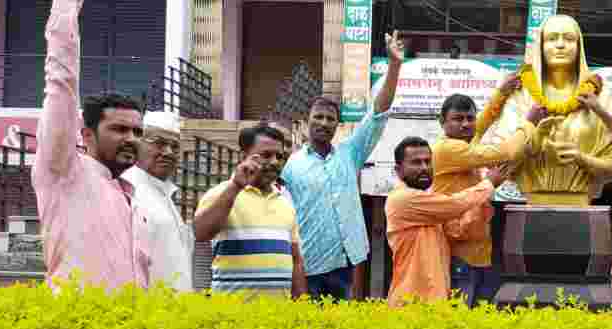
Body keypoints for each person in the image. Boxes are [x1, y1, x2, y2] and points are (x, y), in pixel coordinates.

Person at [33, 0, 151, 290]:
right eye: (119, 129)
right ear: (86, 135)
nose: (131, 139)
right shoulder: (64, 171)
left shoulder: (130, 195)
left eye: (137, 131)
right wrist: (65, 7)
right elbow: (61, 83)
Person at [281, 30, 405, 300]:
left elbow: (377, 113)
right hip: (309, 266)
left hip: (347, 265)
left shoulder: (350, 154)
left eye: (330, 119)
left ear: (337, 125)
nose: (324, 123)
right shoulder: (290, 166)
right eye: (319, 117)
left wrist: (394, 66)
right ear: (307, 122)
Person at [473, 14, 612, 205]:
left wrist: (584, 160)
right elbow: (499, 159)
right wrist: (533, 137)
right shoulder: (521, 95)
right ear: (540, 46)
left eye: (569, 39)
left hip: (582, 200)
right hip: (532, 198)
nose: (560, 45)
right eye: (552, 38)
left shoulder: (600, 97)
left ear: (579, 46)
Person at [431, 91, 543, 306]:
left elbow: (482, 124)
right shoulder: (449, 149)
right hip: (459, 253)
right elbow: (506, 152)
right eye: (457, 119)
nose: (465, 124)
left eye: (469, 118)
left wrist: (503, 92)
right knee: (460, 321)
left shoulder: (464, 144)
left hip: (477, 251)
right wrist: (528, 123)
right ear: (442, 122)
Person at [385, 137, 513, 307]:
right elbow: (454, 205)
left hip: (435, 300)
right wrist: (487, 184)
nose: (424, 168)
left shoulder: (430, 203)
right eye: (416, 163)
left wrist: (482, 201)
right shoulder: (402, 199)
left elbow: (456, 230)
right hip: (410, 302)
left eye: (428, 162)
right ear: (398, 170)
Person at [194, 124, 308, 298]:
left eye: (279, 156)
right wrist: (236, 187)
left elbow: (295, 260)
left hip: (279, 319)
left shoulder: (285, 202)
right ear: (244, 156)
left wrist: (302, 306)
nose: (275, 162)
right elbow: (200, 232)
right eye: (266, 155)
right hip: (231, 318)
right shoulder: (220, 193)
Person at [122, 111, 195, 291]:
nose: (168, 152)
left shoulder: (164, 194)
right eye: (159, 143)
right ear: (137, 144)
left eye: (175, 146)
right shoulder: (127, 189)